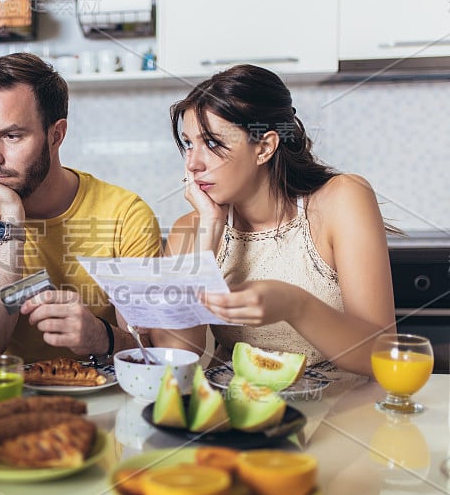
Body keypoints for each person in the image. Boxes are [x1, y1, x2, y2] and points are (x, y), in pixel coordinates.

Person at [151, 64, 396, 377]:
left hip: (342, 407)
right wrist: (209, 230)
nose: (192, 163)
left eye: (212, 143)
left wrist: (295, 305)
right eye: (188, 143)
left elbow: (384, 354)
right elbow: (176, 359)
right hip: (235, 407)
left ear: (264, 147)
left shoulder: (342, 199)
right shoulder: (190, 230)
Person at [0, 53, 161, 363]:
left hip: (108, 397)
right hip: (9, 396)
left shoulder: (126, 215)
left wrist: (100, 336)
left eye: (11, 136)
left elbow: (151, 353)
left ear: (56, 135)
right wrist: (9, 219)